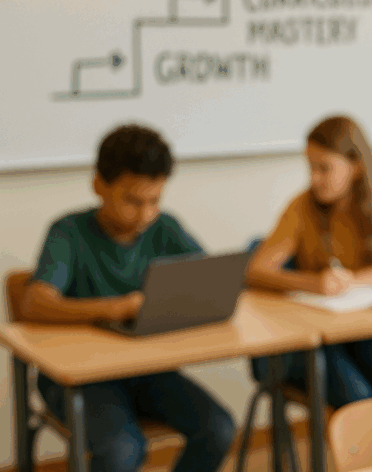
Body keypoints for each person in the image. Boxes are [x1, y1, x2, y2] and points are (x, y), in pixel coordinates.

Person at [20, 124, 236, 472]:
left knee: (218, 429)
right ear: (98, 185)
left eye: (154, 201)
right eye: (132, 201)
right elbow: (34, 302)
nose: (144, 214)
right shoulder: (68, 233)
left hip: (148, 370)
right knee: (123, 451)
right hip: (81, 380)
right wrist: (116, 307)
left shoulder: (163, 228)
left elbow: (209, 278)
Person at [246, 115, 372, 407]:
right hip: (318, 340)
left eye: (324, 168)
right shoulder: (301, 207)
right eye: (310, 168)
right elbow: (255, 271)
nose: (314, 178)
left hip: (364, 331)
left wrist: (365, 277)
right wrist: (312, 282)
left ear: (355, 166)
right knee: (357, 398)